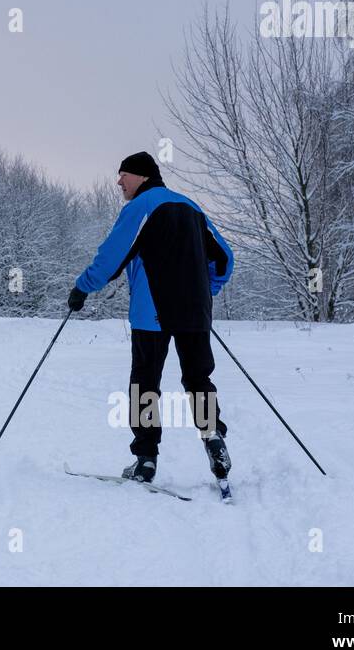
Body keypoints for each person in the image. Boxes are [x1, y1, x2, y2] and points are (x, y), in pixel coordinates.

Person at [67, 151, 234, 484]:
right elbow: (225, 258)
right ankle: (212, 435)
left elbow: (110, 257)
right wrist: (205, 292)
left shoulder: (141, 208)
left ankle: (146, 461)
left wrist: (81, 288)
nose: (119, 182)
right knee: (198, 379)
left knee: (145, 384)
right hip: (194, 313)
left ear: (141, 176)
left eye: (123, 175)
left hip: (152, 312)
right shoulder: (192, 207)